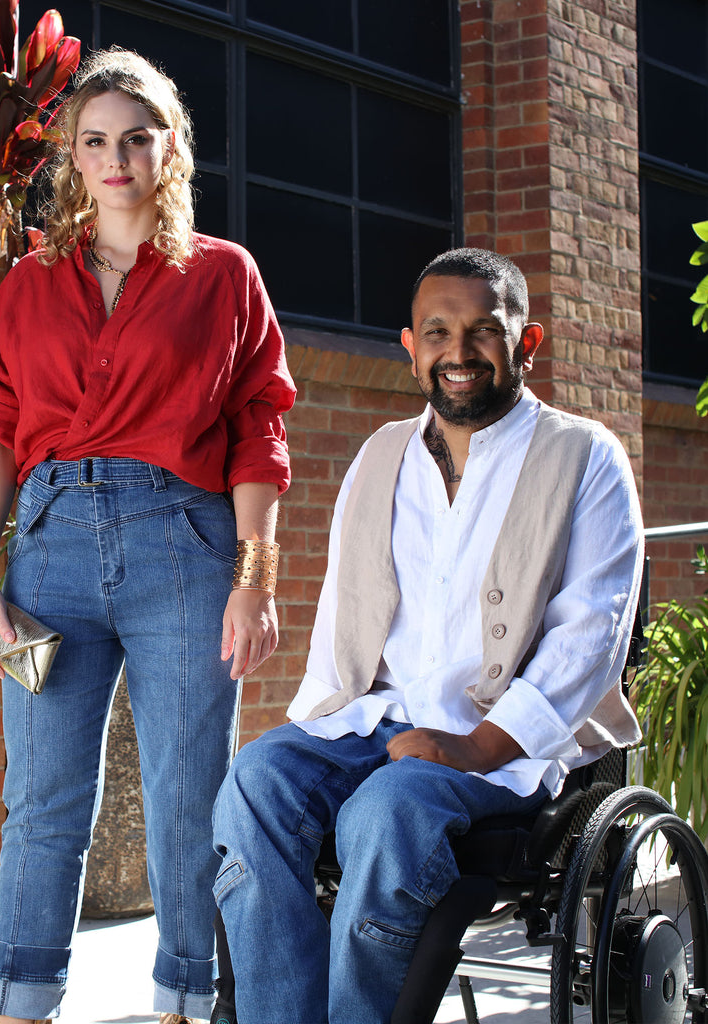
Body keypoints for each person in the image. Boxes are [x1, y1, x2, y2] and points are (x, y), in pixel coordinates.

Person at [212, 248, 644, 1024]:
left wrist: (475, 746)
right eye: (436, 331)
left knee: (385, 813)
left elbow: (590, 638)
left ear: (526, 342)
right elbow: (345, 614)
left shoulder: (583, 457)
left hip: (505, 745)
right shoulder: (380, 455)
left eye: (483, 331)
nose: (458, 351)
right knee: (258, 778)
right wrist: (317, 732)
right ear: (409, 347)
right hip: (377, 721)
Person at [0, 46, 295, 1024]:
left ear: (170, 150)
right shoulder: (27, 284)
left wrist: (256, 575)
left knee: (191, 800)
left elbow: (259, 430)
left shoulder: (225, 276)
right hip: (47, 553)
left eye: (135, 139)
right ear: (73, 155)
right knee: (44, 802)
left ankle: (185, 1001)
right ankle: (21, 1004)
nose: (116, 159)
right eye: (96, 141)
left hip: (183, 549)